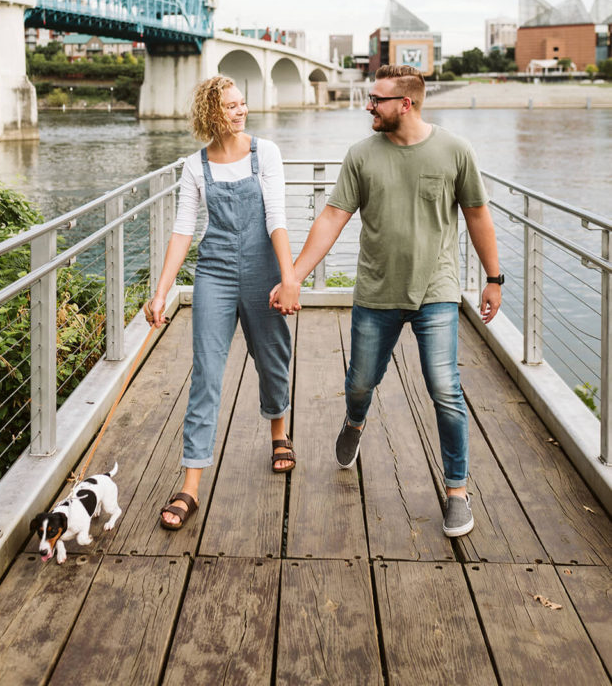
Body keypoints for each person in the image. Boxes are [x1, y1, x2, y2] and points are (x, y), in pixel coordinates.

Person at [272, 64, 502, 538]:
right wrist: (293, 276)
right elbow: (332, 217)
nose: (368, 105)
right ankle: (355, 422)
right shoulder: (361, 155)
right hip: (376, 292)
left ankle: (456, 491)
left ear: (406, 103)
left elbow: (478, 215)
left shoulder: (455, 150)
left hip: (435, 291)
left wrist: (493, 278)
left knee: (445, 389)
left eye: (376, 99)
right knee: (360, 383)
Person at [145, 75, 298, 530]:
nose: (241, 111)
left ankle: (279, 433)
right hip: (214, 271)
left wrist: (288, 278)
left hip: (262, 268)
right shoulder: (196, 166)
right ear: (212, 113)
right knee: (206, 373)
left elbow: (277, 216)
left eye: (242, 103)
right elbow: (183, 230)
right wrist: (161, 291)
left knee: (271, 357)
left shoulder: (264, 153)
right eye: (231, 106)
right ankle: (190, 485)